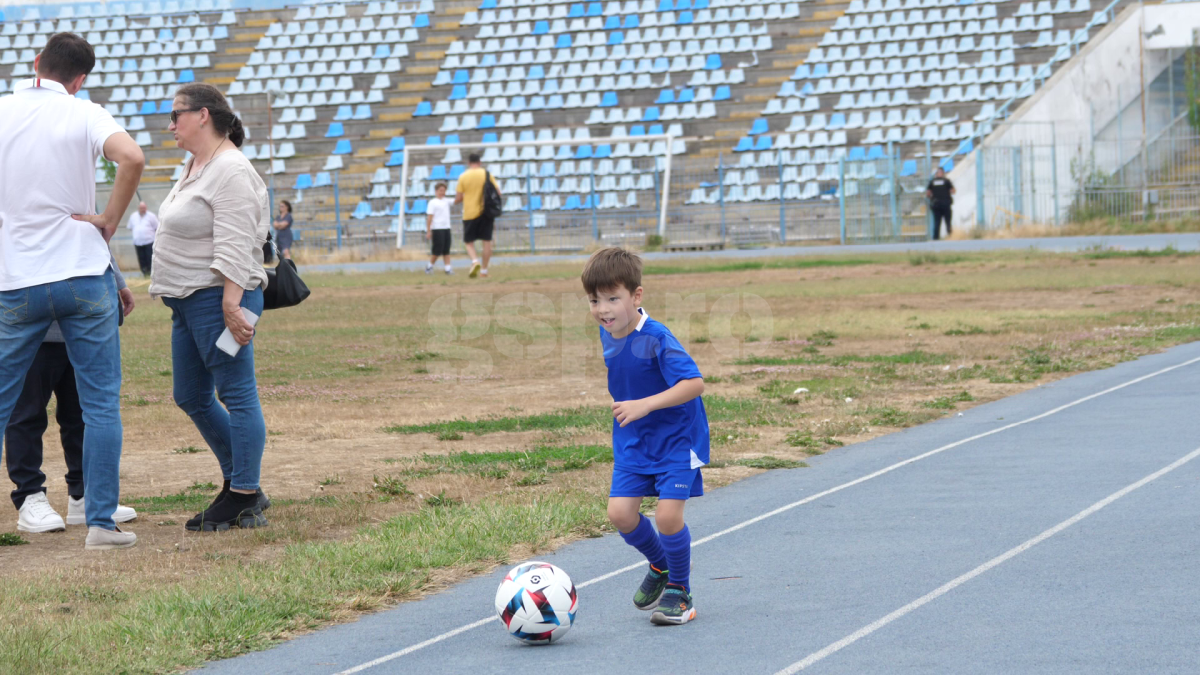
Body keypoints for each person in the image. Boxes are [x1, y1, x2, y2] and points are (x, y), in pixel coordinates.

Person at [0, 32, 145, 551]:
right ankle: (100, 520)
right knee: (100, 405)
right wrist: (109, 219)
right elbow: (132, 157)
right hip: (83, 273)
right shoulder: (86, 112)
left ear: (36, 63)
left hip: (16, 278)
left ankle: (31, 498)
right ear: (80, 79)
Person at [151, 82, 271, 532]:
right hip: (187, 300)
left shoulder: (231, 169)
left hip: (220, 298)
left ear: (203, 115)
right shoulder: (196, 164)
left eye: (176, 115)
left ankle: (242, 494)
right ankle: (241, 482)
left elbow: (238, 242)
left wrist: (231, 304)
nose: (171, 125)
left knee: (236, 393)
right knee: (190, 395)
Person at [582, 247, 708, 626]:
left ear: (637, 296)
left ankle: (680, 591)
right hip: (635, 441)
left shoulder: (656, 337)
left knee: (668, 517)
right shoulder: (609, 333)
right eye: (594, 300)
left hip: (676, 441)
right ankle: (660, 564)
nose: (603, 309)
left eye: (612, 298)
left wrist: (645, 404)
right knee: (620, 513)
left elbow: (694, 383)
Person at [6, 254, 139, 533]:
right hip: (28, 318)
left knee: (81, 414)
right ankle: (29, 494)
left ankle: (83, 495)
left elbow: (94, 234)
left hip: (82, 318)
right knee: (26, 414)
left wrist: (116, 279)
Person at [453, 153, 500, 279]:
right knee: (487, 243)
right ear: (480, 162)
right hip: (486, 213)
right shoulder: (486, 174)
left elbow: (458, 197)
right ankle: (484, 271)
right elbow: (498, 192)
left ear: (469, 163)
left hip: (469, 212)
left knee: (469, 242)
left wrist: (459, 199)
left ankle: (475, 261)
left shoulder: (463, 176)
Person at [425, 182, 454, 275]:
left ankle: (448, 269)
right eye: (440, 190)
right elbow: (429, 217)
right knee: (437, 250)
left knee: (446, 249)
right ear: (436, 191)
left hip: (446, 228)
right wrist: (429, 230)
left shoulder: (446, 201)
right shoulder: (432, 202)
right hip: (437, 228)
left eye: (444, 190)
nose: (442, 192)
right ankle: (429, 267)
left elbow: (457, 200)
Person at [127, 201, 159, 276]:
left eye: (144, 208)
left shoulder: (151, 216)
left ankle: (151, 273)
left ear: (146, 208)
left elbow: (156, 227)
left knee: (149, 258)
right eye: (141, 208)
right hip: (138, 242)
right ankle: (144, 273)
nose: (142, 209)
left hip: (149, 241)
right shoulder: (133, 216)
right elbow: (130, 227)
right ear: (138, 208)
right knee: (141, 258)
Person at [925, 167, 955, 240]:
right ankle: (950, 236)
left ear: (936, 174)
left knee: (937, 222)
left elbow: (928, 193)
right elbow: (953, 191)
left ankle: (936, 238)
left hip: (936, 204)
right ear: (943, 173)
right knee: (948, 222)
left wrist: (932, 197)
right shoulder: (946, 181)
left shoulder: (932, 182)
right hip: (946, 204)